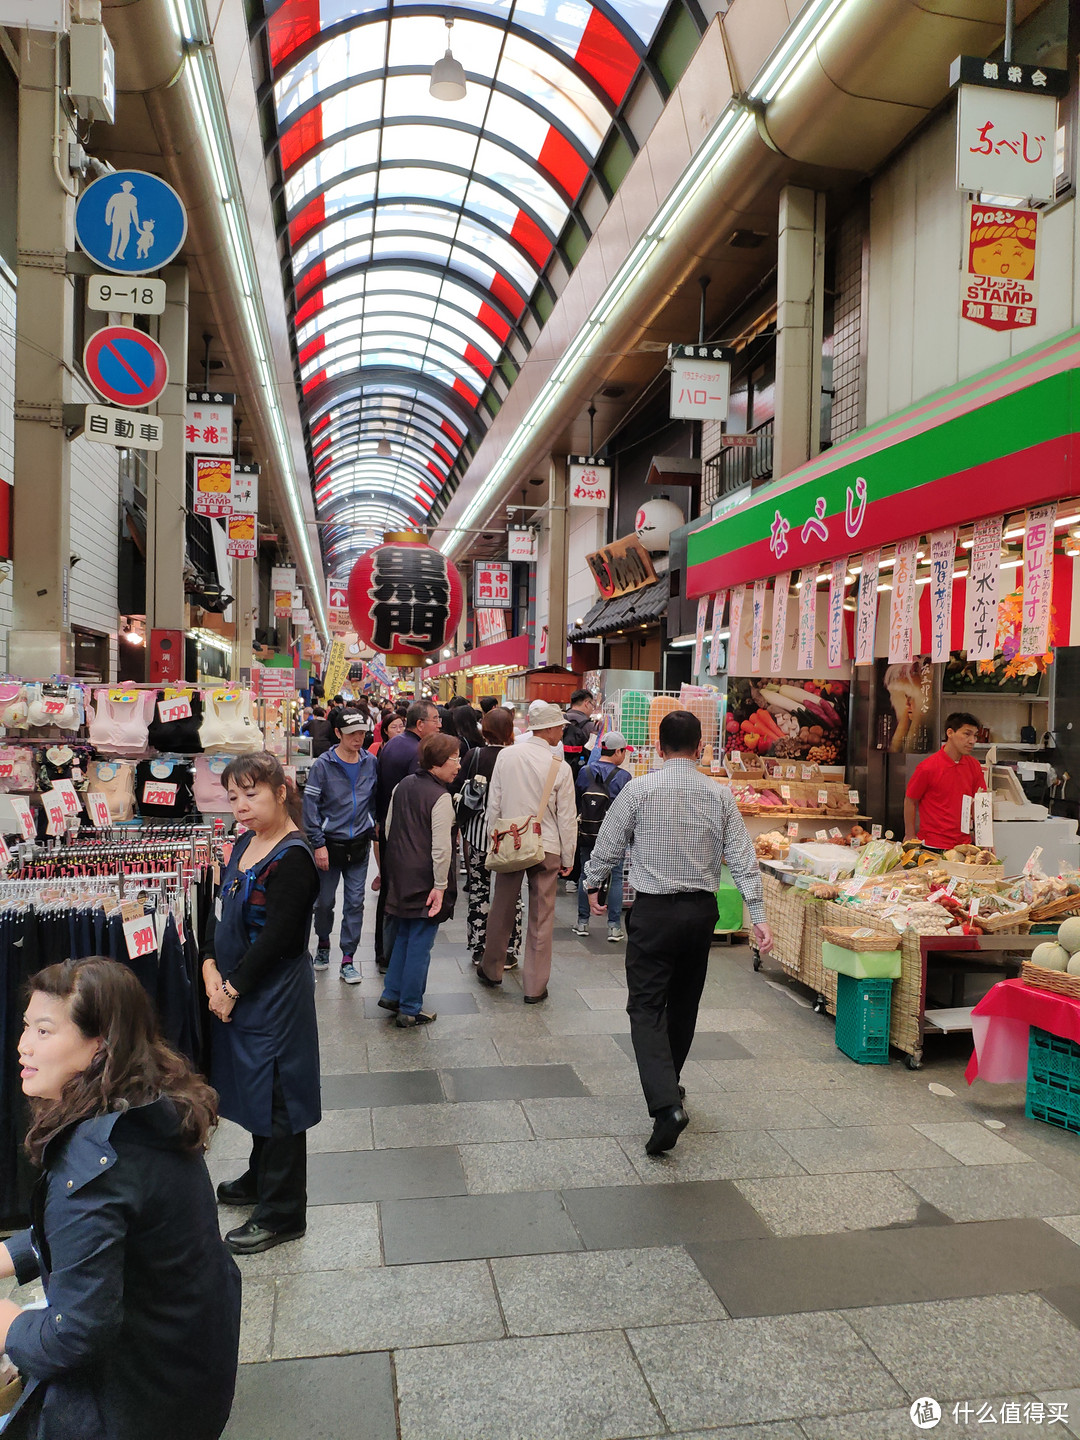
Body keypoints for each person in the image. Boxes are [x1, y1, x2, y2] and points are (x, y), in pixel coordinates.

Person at [1, 957, 240, 1440]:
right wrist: (10, 1255)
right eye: (27, 1027)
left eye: (45, 1032)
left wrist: (5, 1323)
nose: (23, 1046)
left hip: (137, 1402)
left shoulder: (91, 1162)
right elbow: (111, 1227)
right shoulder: (150, 1105)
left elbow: (73, 1335)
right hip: (193, 1365)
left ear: (98, 1047)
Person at [583, 709, 773, 1157]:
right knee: (684, 1003)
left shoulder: (637, 789)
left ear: (660, 748)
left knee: (647, 1005)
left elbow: (607, 844)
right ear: (701, 748)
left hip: (652, 912)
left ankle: (666, 1105)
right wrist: (758, 913)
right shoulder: (720, 795)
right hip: (701, 914)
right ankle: (673, 1084)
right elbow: (742, 858)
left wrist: (592, 880)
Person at [203, 753, 320, 1254]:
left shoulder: (294, 858)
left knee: (278, 1100)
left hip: (272, 1000)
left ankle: (282, 1212)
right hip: (238, 991)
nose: (242, 807)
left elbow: (279, 940)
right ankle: (258, 1179)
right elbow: (218, 906)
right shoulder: (246, 842)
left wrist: (230, 990)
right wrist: (209, 966)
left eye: (252, 794)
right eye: (234, 797)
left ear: (280, 790)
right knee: (253, 1093)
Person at [476, 699, 577, 1003]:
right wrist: (569, 857)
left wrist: (495, 838)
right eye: (559, 726)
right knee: (541, 916)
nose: (561, 731)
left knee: (501, 907)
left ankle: (492, 969)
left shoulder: (507, 756)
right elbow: (567, 818)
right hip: (547, 846)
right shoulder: (560, 767)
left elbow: (493, 803)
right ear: (549, 729)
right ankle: (534, 986)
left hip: (511, 840)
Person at [376, 733, 461, 1027]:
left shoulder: (403, 785)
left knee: (403, 935)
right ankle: (410, 1006)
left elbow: (388, 829)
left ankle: (392, 992)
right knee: (420, 944)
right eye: (454, 759)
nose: (458, 766)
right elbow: (441, 848)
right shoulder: (441, 797)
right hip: (425, 878)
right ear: (438, 762)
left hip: (399, 873)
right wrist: (440, 886)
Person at [303, 709, 379, 983]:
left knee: (355, 903)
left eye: (361, 733)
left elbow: (373, 798)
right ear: (338, 734)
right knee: (324, 902)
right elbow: (310, 806)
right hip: (329, 845)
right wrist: (318, 843)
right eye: (352, 734)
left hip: (358, 844)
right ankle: (323, 943)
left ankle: (348, 957)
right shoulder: (323, 765)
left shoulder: (370, 762)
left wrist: (373, 824)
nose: (358, 739)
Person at [374, 700, 442, 971]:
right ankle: (390, 955)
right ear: (420, 724)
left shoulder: (392, 744)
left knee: (390, 893)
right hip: (407, 834)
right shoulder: (417, 751)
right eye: (435, 719)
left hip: (390, 828)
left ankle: (384, 951)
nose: (439, 724)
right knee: (400, 897)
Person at [459, 705, 523, 968]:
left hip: (477, 835)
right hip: (509, 835)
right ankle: (508, 948)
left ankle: (479, 947)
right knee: (511, 895)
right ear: (509, 731)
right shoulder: (517, 758)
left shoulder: (474, 755)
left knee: (479, 890)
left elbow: (458, 789)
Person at [573, 731, 631, 942]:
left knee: (585, 875)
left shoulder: (584, 771)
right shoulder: (624, 777)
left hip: (588, 831)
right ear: (617, 751)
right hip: (614, 835)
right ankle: (614, 927)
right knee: (615, 876)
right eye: (624, 751)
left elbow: (579, 799)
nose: (624, 756)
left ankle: (582, 922)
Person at [904, 711, 986, 850]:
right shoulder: (927, 767)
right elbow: (910, 800)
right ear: (950, 733)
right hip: (932, 844)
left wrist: (985, 840)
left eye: (975, 735)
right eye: (967, 734)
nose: (972, 740)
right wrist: (909, 835)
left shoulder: (974, 766)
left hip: (964, 845)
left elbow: (980, 803)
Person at [562, 688, 597, 781]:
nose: (592, 709)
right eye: (592, 705)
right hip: (581, 775)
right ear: (586, 703)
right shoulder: (591, 727)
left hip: (558, 771)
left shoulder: (559, 722)